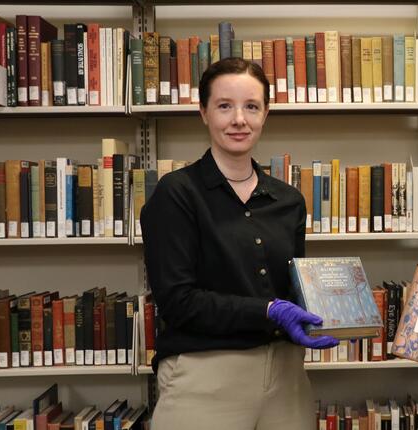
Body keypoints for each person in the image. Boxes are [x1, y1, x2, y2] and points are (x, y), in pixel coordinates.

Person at [141, 57, 338, 430]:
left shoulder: (289, 200)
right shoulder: (177, 194)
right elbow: (177, 301)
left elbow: (295, 289)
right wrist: (267, 310)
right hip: (205, 377)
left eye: (251, 106)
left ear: (266, 113)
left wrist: (334, 314)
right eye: (224, 106)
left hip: (286, 377)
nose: (239, 120)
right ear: (203, 112)